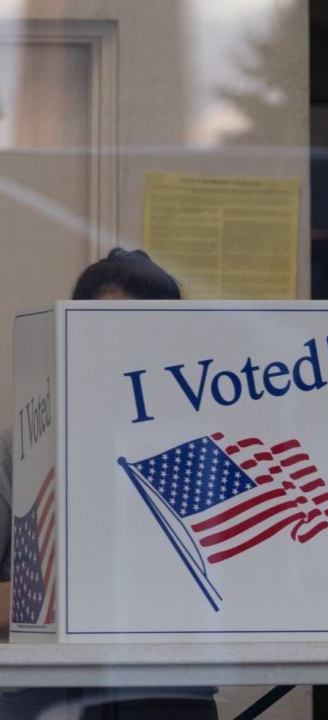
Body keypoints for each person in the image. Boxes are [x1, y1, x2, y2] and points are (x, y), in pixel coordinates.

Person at [0, 249, 219, 720]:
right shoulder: (13, 458)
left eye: (148, 339)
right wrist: (64, 596)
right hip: (44, 699)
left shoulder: (199, 458)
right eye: (107, 333)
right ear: (72, 339)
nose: (127, 356)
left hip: (168, 697)